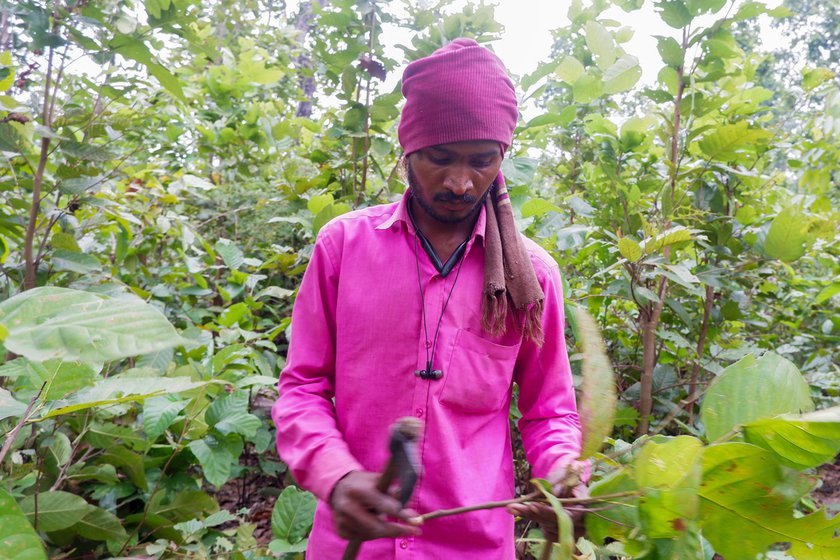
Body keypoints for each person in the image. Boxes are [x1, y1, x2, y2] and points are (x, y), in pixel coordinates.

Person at [272, 38, 584, 559]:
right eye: (440, 159)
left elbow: (550, 412)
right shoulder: (344, 248)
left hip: (472, 544)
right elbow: (302, 387)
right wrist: (338, 476)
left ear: (502, 157)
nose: (461, 183)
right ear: (407, 149)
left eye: (482, 162)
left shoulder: (532, 277)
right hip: (351, 542)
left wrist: (565, 478)